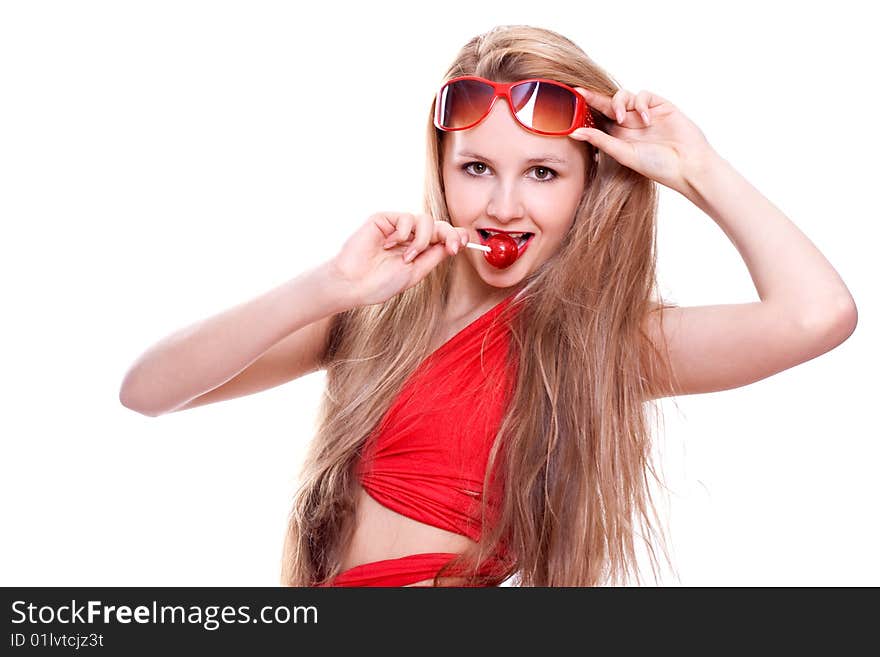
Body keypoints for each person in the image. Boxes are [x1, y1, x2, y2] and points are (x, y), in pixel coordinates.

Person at [119, 24, 858, 587]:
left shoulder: (609, 342)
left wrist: (696, 167)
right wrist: (326, 287)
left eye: (542, 171)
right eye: (476, 167)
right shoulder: (374, 311)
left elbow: (816, 313)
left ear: (589, 182)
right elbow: (146, 391)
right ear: (441, 170)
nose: (504, 206)